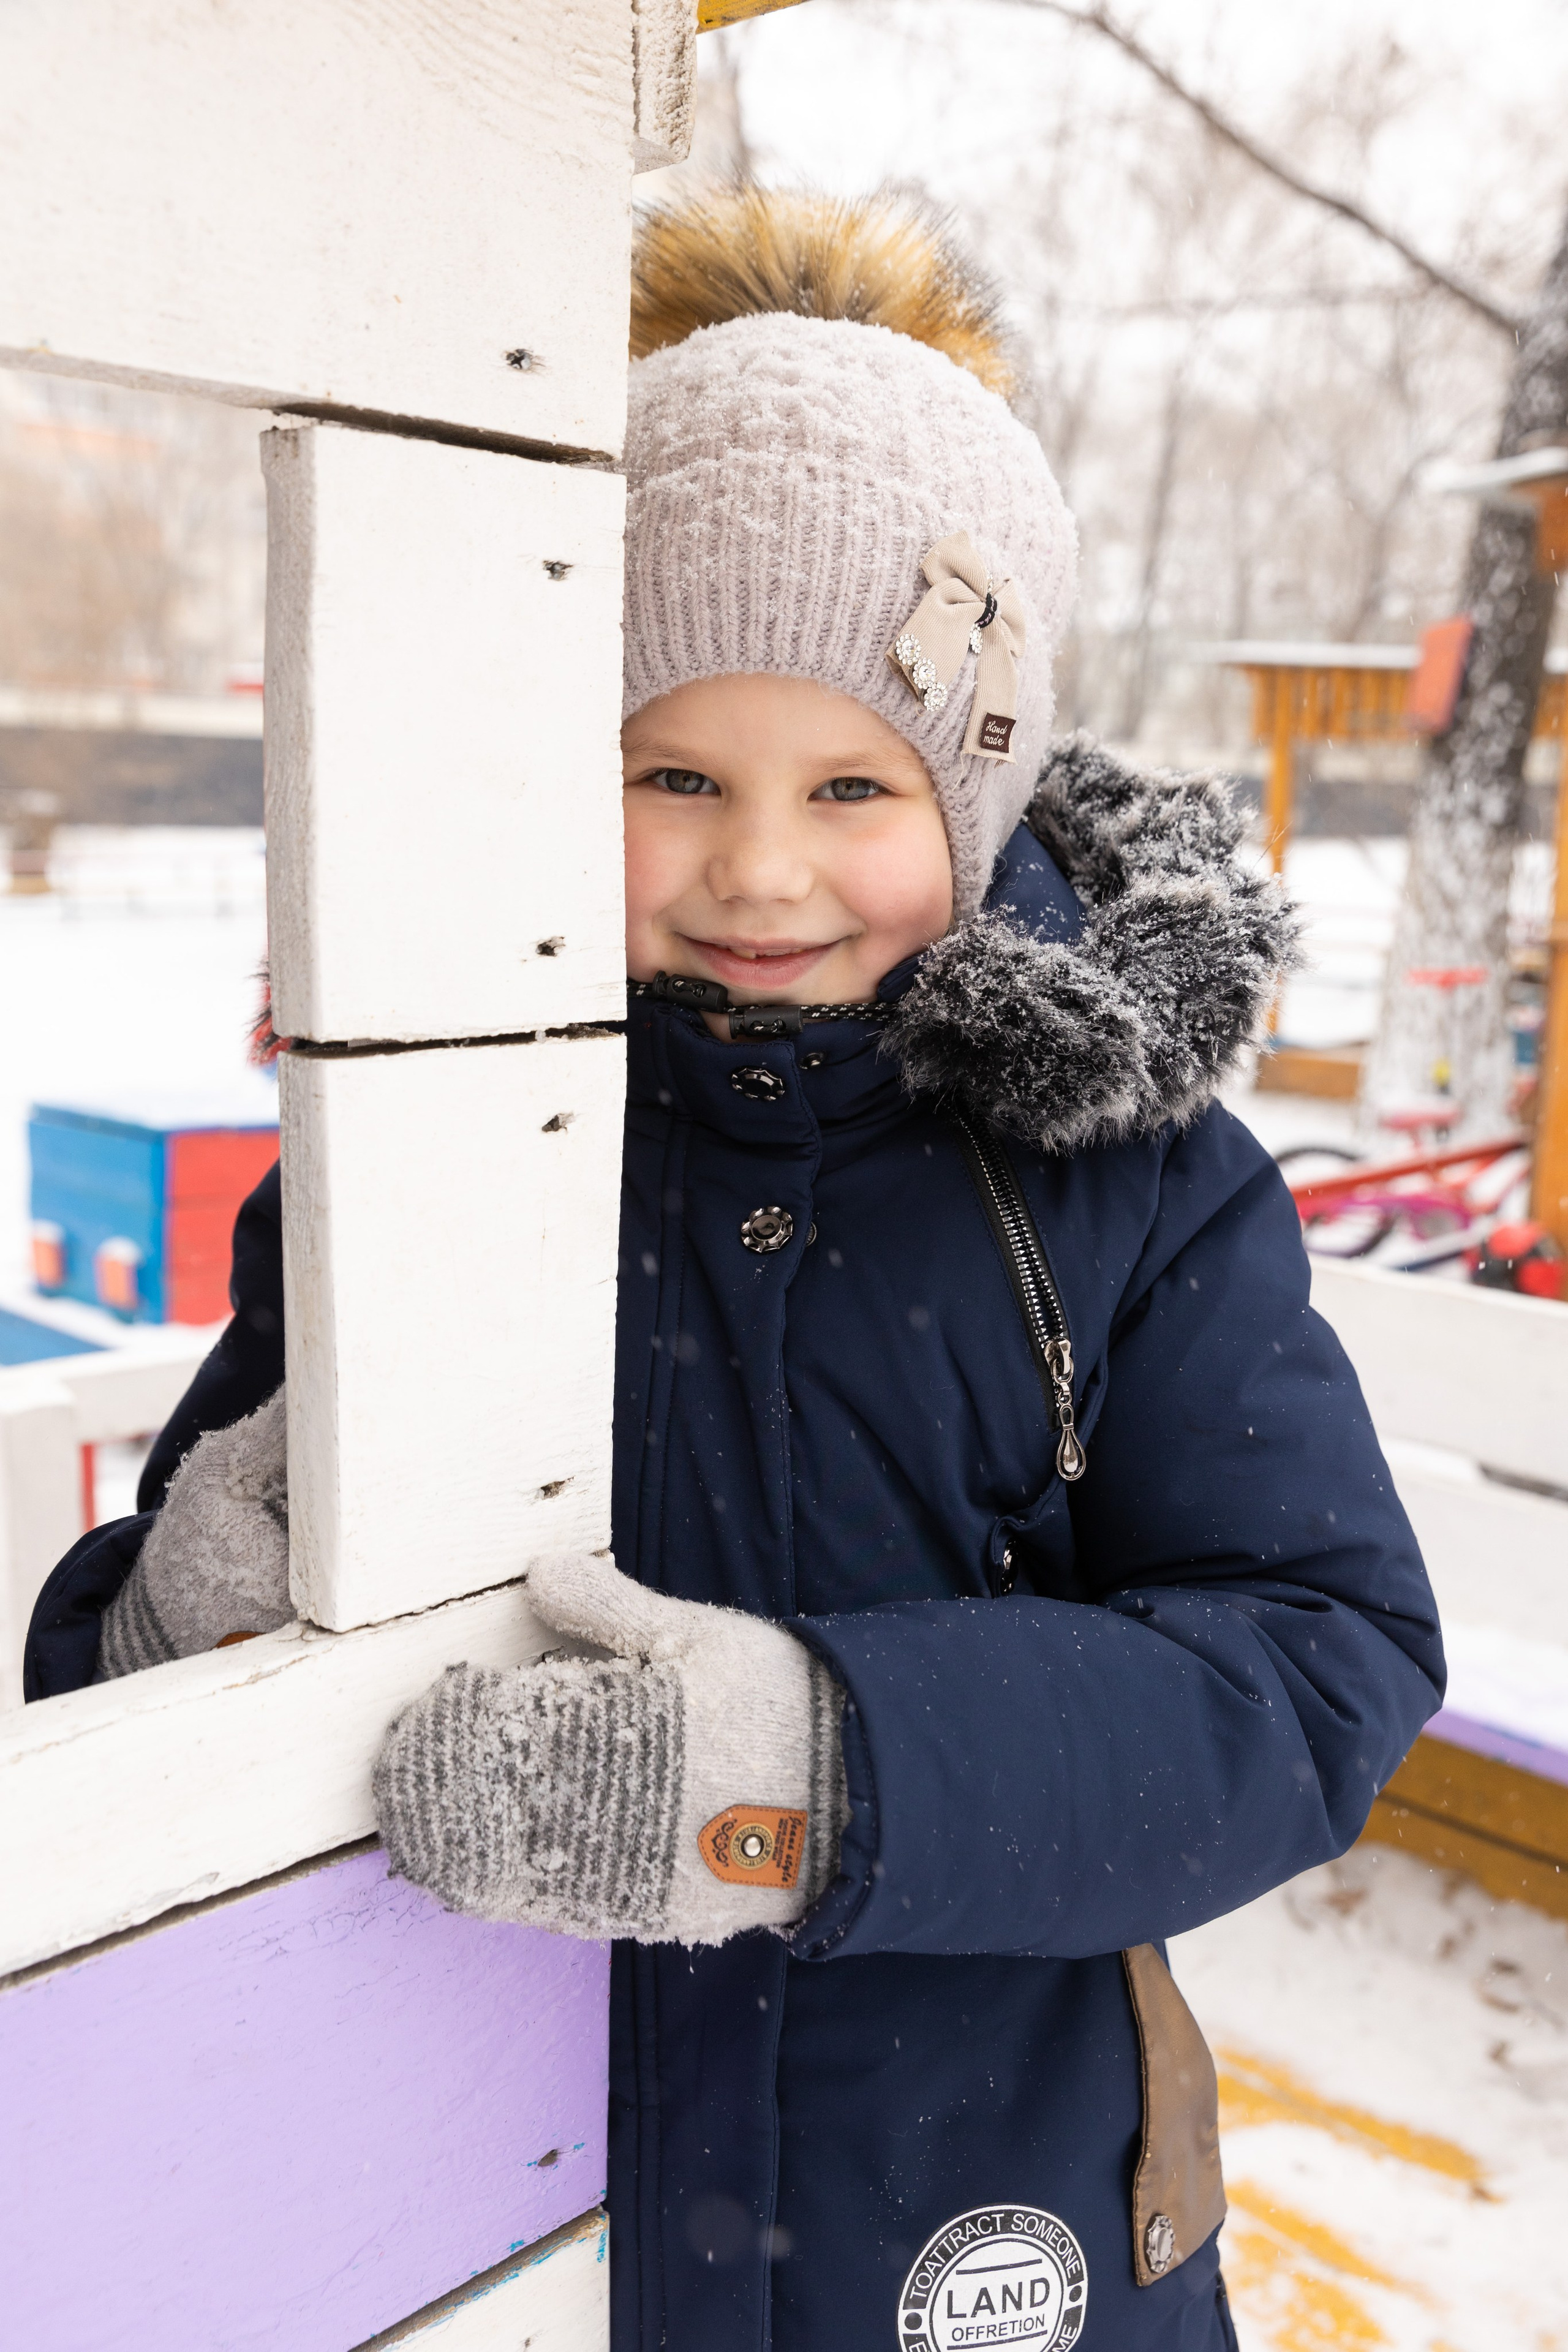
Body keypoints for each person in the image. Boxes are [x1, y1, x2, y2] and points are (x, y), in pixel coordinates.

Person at [27, 190, 1442, 2352]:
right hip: (487, 2219)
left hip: (973, 2213)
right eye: (671, 771)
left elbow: (1317, 1668)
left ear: (969, 803)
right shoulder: (422, 1156)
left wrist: (819, 1769)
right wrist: (177, 1620)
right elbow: (190, 1657)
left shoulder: (1125, 1185)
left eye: (851, 783)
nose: (761, 867)